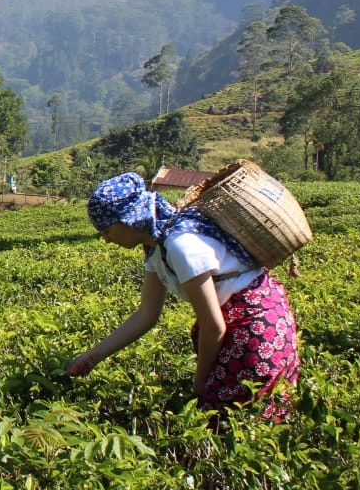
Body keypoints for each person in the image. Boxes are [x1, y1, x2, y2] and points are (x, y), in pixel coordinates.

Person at [66, 172, 298, 421]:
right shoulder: (157, 247)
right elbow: (146, 315)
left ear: (128, 220)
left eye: (108, 230)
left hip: (256, 331)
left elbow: (214, 326)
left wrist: (200, 381)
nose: (106, 240)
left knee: (234, 422)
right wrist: (91, 358)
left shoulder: (180, 245)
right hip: (245, 326)